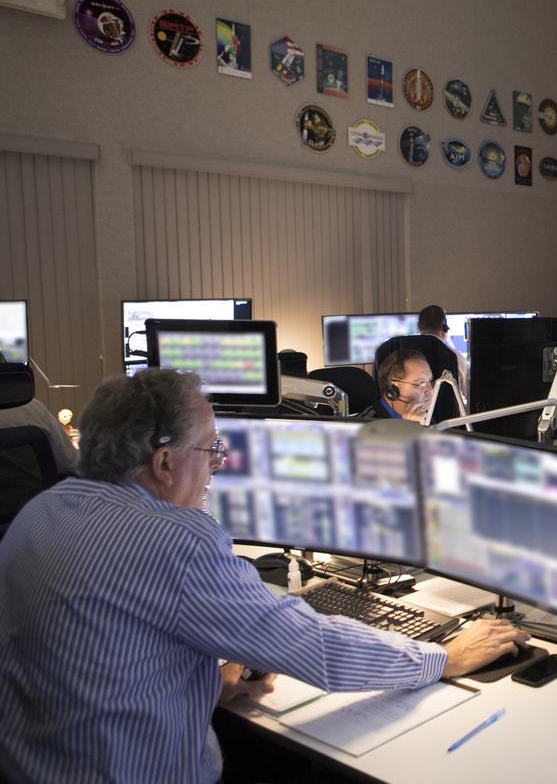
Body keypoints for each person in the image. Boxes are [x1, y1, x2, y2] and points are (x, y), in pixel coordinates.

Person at [0, 369, 527, 782]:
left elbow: (95, 658)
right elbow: (314, 648)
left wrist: (206, 683)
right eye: (211, 450)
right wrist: (443, 656)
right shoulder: (175, 542)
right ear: (164, 463)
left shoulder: (39, 513)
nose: (218, 466)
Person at [364, 348, 435, 421]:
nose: (430, 391)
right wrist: (409, 428)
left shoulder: (425, 417)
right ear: (392, 390)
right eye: (420, 383)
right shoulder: (365, 425)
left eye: (430, 381)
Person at [417, 304, 467, 403]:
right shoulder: (456, 357)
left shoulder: (404, 353)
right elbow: (466, 394)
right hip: (448, 417)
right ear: (444, 328)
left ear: (419, 327)